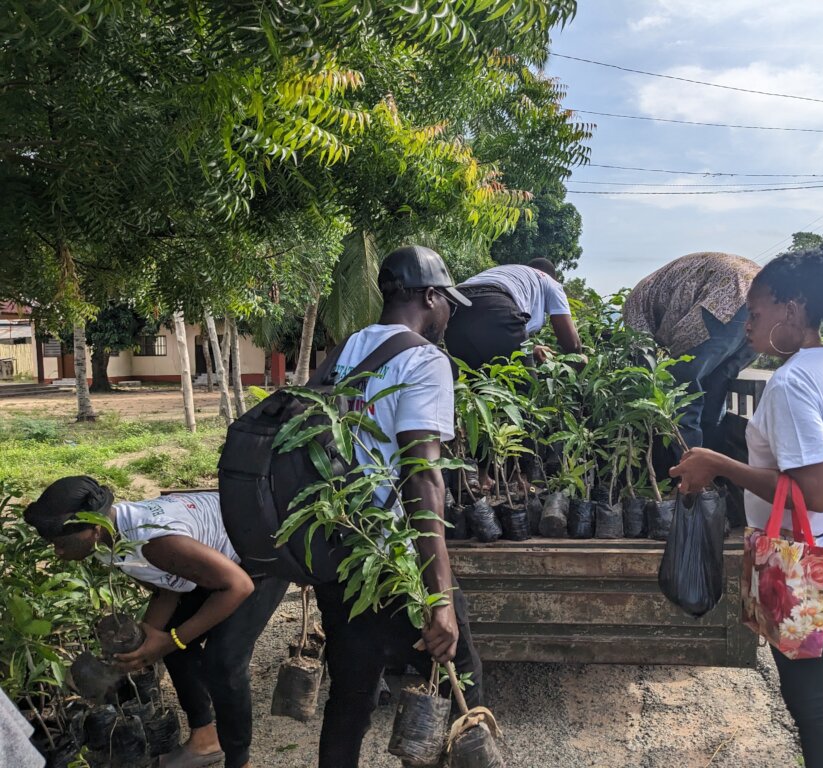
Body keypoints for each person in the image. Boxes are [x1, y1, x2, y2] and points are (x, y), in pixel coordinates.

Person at [670, 243, 823, 768]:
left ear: (792, 309)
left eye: (756, 311)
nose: (747, 325)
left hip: (806, 566)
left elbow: (813, 493)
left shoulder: (792, 383)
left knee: (810, 707)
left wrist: (718, 465)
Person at [314, 244, 484, 768]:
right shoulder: (424, 360)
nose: (449, 314)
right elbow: (422, 477)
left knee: (350, 699)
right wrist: (439, 599)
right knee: (464, 686)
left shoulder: (343, 353)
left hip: (340, 551)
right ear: (430, 297)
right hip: (392, 558)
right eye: (447, 301)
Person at [23, 478, 288, 768]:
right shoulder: (108, 540)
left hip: (259, 557)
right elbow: (168, 584)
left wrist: (172, 640)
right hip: (215, 561)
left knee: (223, 662)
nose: (57, 552)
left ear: (94, 529)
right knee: (169, 641)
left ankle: (240, 762)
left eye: (61, 543)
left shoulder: (152, 541)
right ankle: (205, 740)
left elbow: (238, 586)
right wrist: (149, 639)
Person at [623, 251, 760, 452]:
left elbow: (644, 356)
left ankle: (688, 464)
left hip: (725, 295)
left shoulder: (632, 304)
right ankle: (712, 459)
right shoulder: (652, 287)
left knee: (681, 387)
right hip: (764, 293)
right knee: (716, 384)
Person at [444, 258, 583, 368]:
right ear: (553, 277)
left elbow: (504, 337)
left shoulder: (510, 272)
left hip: (453, 306)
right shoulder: (550, 282)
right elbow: (572, 344)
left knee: (473, 381)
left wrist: (532, 349)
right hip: (495, 302)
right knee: (526, 388)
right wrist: (579, 357)